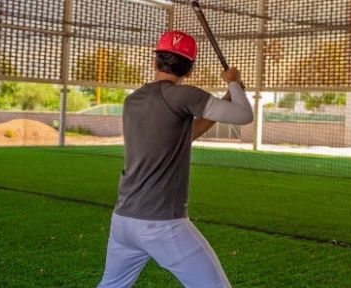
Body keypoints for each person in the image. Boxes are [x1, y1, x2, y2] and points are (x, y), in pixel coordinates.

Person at [97, 31, 253, 288]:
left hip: (124, 220)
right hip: (161, 224)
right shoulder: (185, 96)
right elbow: (243, 114)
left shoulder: (132, 100)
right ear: (189, 70)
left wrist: (228, 96)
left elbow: (184, 135)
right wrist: (234, 82)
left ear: (155, 62)